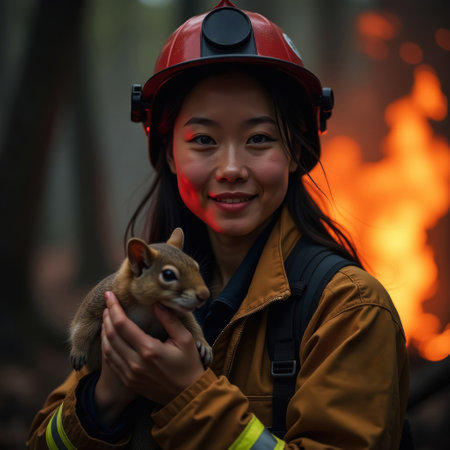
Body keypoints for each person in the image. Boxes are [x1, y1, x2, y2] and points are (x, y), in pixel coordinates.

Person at [27, 1, 409, 448]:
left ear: (297, 151)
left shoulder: (350, 311)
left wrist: (187, 395)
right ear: (170, 154)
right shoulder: (137, 291)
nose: (231, 167)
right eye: (203, 140)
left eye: (259, 139)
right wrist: (106, 394)